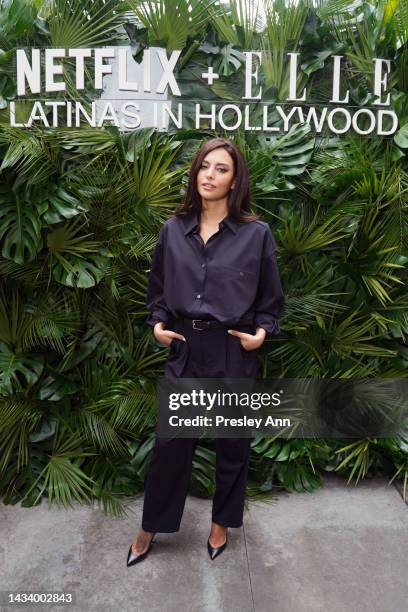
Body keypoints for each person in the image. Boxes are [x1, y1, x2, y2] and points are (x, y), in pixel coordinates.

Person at [127, 137, 284, 566]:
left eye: (221, 169)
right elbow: (157, 288)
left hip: (233, 348)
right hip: (185, 347)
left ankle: (221, 523)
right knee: (171, 446)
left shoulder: (256, 235)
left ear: (236, 181)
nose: (210, 175)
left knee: (232, 444)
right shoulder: (172, 230)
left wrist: (261, 334)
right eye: (204, 167)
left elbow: (271, 299)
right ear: (195, 172)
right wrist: (158, 324)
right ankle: (150, 525)